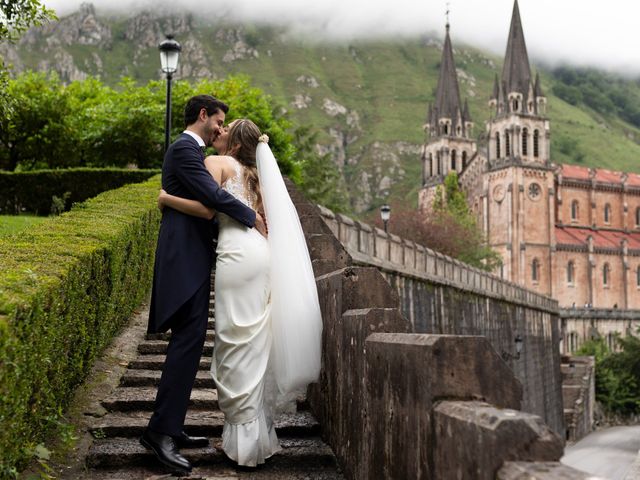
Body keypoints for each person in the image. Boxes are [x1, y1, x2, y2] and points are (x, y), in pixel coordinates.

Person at [141, 97, 267, 476]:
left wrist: (169, 199)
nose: (220, 128)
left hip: (196, 257)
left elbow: (209, 202)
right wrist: (250, 216)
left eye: (225, 125)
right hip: (184, 260)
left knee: (191, 341)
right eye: (218, 121)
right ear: (203, 116)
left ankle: (171, 426)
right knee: (185, 342)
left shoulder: (196, 152)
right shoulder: (183, 149)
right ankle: (159, 434)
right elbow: (213, 200)